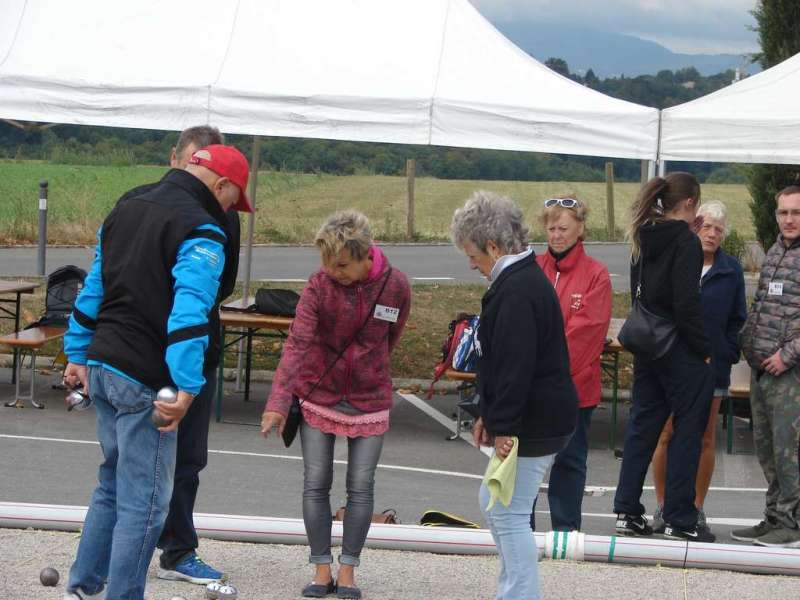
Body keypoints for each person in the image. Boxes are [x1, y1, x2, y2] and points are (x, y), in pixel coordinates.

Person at [61, 144, 252, 600]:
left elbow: (95, 287)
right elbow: (191, 311)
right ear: (221, 184)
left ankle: (83, 587)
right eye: (234, 199)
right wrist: (186, 386)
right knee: (146, 503)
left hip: (104, 362)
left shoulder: (127, 204)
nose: (231, 210)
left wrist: (77, 351)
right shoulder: (203, 228)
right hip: (148, 377)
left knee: (111, 481)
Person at [261, 211, 410, 600]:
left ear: (365, 255)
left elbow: (391, 337)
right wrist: (278, 401)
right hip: (319, 393)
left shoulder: (396, 286)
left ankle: (348, 572)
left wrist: (369, 367)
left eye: (342, 264)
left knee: (361, 487)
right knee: (316, 483)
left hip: (371, 397)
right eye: (327, 263)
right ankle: (321, 568)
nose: (333, 271)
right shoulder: (318, 285)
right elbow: (297, 343)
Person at [451, 191, 578, 599]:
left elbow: (515, 366)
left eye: (473, 254)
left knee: (508, 515)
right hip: (535, 418)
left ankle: (520, 595)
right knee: (495, 503)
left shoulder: (517, 288)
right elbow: (504, 362)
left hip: (532, 423)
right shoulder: (519, 280)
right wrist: (488, 413)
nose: (471, 264)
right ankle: (512, 591)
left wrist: (502, 424)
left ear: (493, 245)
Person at [155, 126, 240, 585]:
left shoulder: (224, 214)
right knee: (133, 454)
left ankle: (178, 548)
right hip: (145, 348)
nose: (200, 177)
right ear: (178, 158)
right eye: (194, 164)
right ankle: (124, 542)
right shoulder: (144, 203)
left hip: (197, 346)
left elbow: (222, 283)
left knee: (188, 456)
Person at [613, 172, 715, 543]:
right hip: (678, 348)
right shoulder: (686, 244)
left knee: (643, 423)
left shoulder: (644, 234)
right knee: (688, 429)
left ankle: (626, 509)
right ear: (690, 203)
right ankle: (679, 516)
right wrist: (704, 350)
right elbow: (686, 304)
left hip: (647, 343)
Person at [651, 200, 747, 535]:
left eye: (719, 230)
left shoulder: (731, 270)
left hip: (713, 368)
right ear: (695, 226)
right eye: (707, 226)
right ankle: (664, 506)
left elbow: (738, 319)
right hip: (673, 365)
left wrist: (728, 351)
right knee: (667, 434)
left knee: (706, 439)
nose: (712, 234)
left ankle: (695, 507)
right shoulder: (678, 259)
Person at [532, 195, 612, 532]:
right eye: (551, 228)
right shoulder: (531, 267)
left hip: (574, 388)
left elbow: (586, 334)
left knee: (569, 461)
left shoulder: (597, 275)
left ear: (580, 228)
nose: (557, 235)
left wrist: (547, 370)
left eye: (563, 228)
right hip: (531, 387)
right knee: (526, 464)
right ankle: (520, 531)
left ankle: (566, 532)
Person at [734, 185, 800, 548]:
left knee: (789, 451)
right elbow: (761, 305)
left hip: (790, 374)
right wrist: (748, 344)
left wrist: (787, 355)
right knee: (768, 449)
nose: (789, 219)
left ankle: (792, 522)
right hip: (762, 370)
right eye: (783, 212)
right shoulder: (775, 251)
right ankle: (774, 517)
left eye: (796, 213)